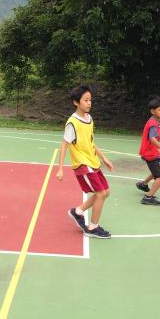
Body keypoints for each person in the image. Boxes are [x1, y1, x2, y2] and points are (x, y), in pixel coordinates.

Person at [56, 86, 114, 239]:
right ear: (76, 102)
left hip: (92, 160)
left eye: (90, 100)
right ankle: (92, 227)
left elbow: (91, 142)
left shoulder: (89, 119)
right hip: (82, 163)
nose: (89, 103)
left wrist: (104, 158)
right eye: (86, 100)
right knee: (100, 193)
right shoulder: (72, 122)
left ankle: (78, 211)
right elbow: (65, 144)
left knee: (106, 192)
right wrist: (60, 168)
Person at [135, 98, 160, 206]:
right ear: (153, 111)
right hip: (151, 154)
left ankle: (143, 184)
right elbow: (152, 139)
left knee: (159, 170)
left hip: (149, 152)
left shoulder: (155, 120)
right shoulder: (153, 123)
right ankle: (148, 197)